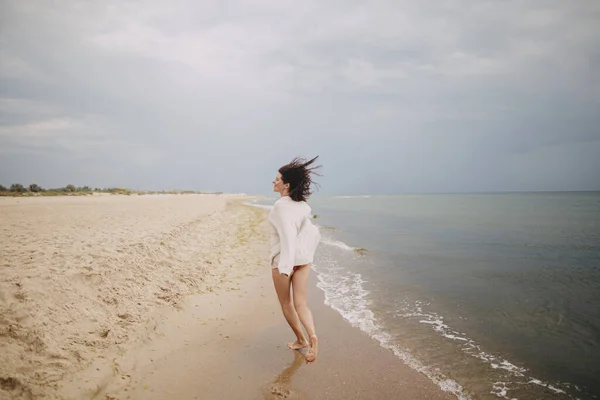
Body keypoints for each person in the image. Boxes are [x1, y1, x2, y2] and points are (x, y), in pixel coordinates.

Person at [269, 156, 322, 364]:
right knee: (302, 303)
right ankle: (313, 335)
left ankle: (301, 339)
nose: (273, 182)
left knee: (286, 303)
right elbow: (312, 232)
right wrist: (307, 255)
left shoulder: (279, 207)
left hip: (285, 260)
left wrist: (285, 265)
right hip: (303, 259)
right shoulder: (303, 206)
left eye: (277, 179)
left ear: (286, 184)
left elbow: (288, 237)